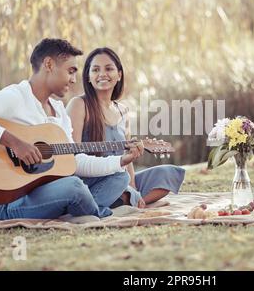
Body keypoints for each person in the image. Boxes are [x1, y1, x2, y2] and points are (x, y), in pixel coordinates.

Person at [0, 39, 144, 220]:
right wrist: (15, 143)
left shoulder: (59, 111)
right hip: (8, 201)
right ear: (49, 65)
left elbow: (75, 162)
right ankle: (96, 213)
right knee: (74, 186)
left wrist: (121, 160)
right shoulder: (17, 97)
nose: (73, 79)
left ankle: (77, 210)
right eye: (70, 71)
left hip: (48, 191)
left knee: (119, 176)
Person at [66, 47, 185, 208]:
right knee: (119, 180)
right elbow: (72, 157)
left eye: (109, 69)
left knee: (168, 173)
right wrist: (125, 184)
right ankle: (124, 200)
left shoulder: (123, 111)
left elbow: (127, 156)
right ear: (88, 76)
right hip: (91, 180)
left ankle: (129, 199)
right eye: (95, 70)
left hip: (120, 178)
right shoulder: (79, 104)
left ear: (119, 75)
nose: (102, 74)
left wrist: (133, 186)